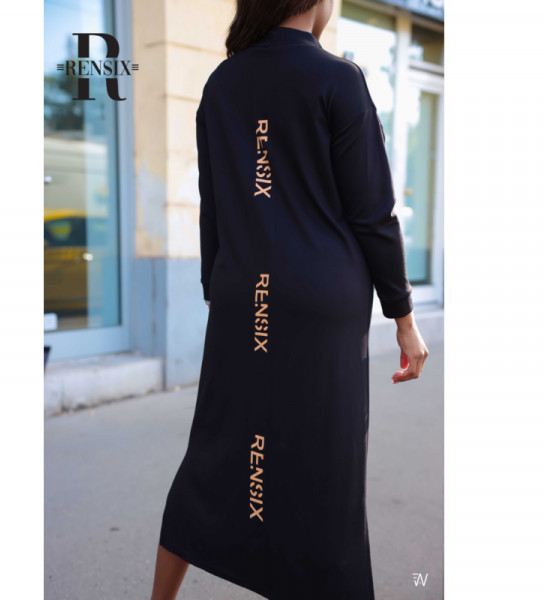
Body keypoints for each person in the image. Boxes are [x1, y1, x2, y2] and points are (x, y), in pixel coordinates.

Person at [151, 0, 429, 598]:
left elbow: (214, 209)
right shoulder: (338, 78)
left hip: (244, 301)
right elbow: (374, 214)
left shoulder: (221, 84)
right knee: (322, 472)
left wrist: (222, 298)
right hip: (323, 308)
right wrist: (403, 316)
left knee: (217, 455)